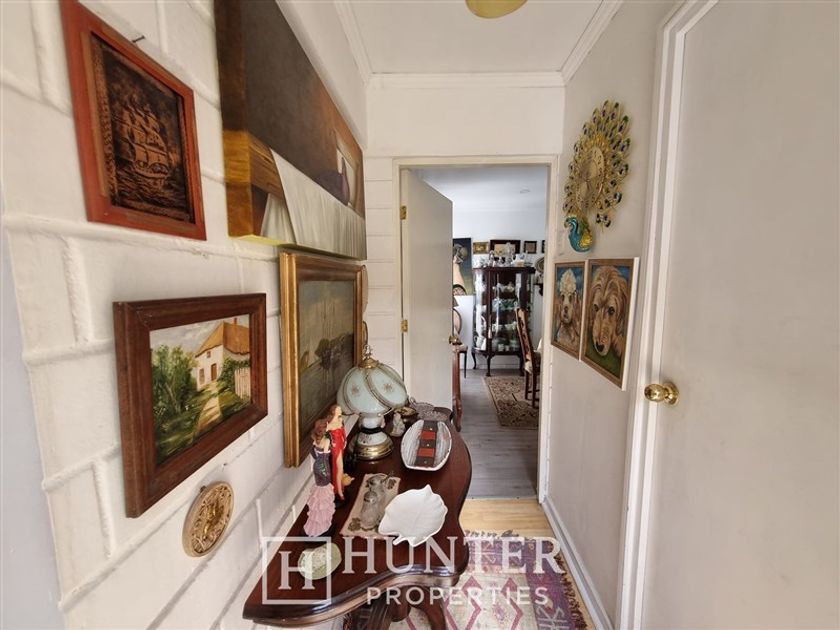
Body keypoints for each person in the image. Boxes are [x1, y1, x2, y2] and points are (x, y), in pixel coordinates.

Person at [303, 419, 335, 537]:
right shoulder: (326, 440)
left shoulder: (315, 440)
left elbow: (313, 452)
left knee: (319, 491)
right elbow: (326, 456)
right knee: (324, 493)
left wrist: (318, 459)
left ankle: (317, 521)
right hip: (324, 466)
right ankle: (322, 524)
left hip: (317, 466)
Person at [326, 404, 354, 502]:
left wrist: (345, 441)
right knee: (339, 468)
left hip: (341, 445)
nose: (341, 410)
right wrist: (331, 443)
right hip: (336, 448)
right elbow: (325, 434)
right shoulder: (330, 424)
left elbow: (343, 432)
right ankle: (339, 492)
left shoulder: (340, 420)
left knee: (340, 469)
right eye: (339, 409)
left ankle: (340, 487)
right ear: (334, 412)